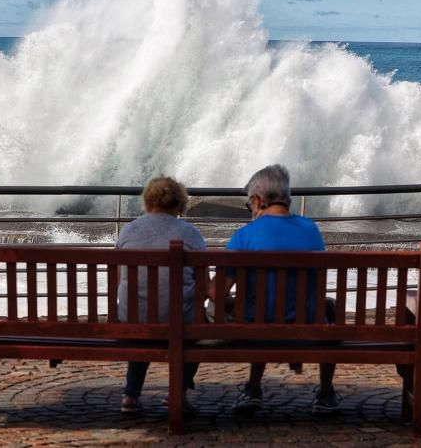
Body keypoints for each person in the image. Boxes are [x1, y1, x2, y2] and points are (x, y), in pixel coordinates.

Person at [209, 164, 340, 415]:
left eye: (249, 205)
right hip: (307, 328)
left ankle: (253, 387)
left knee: (255, 305)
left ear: (258, 200)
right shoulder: (311, 230)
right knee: (328, 307)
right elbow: (316, 281)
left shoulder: (245, 235)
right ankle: (325, 392)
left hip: (255, 330)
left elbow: (217, 292)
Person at [117, 176, 206, 414]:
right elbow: (204, 284)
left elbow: (121, 279)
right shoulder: (190, 233)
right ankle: (178, 392)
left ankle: (131, 394)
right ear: (179, 204)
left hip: (132, 323)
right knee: (198, 325)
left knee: (142, 312)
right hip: (178, 324)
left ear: (147, 202)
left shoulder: (129, 230)